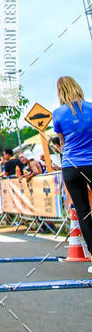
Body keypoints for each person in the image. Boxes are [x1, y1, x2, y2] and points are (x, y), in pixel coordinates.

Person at [53, 76, 92, 257]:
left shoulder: (58, 113)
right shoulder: (90, 108)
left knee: (83, 211)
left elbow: (62, 141)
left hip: (71, 166)